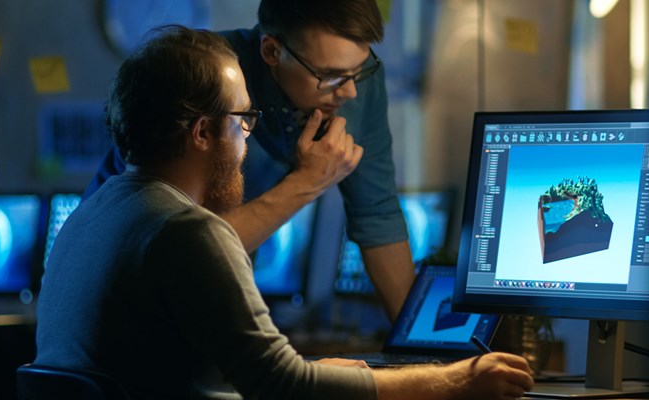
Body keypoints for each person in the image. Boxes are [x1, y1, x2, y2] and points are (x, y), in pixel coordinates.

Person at [35, 25, 534, 399]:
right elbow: (281, 387)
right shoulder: (186, 232)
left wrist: (337, 374)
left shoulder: (93, 217)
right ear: (203, 133)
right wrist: (455, 380)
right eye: (243, 120)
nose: (250, 137)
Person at [84, 0, 414, 322]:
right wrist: (307, 182)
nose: (350, 92)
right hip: (125, 295)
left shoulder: (356, 83)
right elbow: (184, 253)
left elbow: (377, 215)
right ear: (271, 51)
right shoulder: (202, 80)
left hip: (217, 285)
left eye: (360, 70)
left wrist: (419, 344)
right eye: (330, 75)